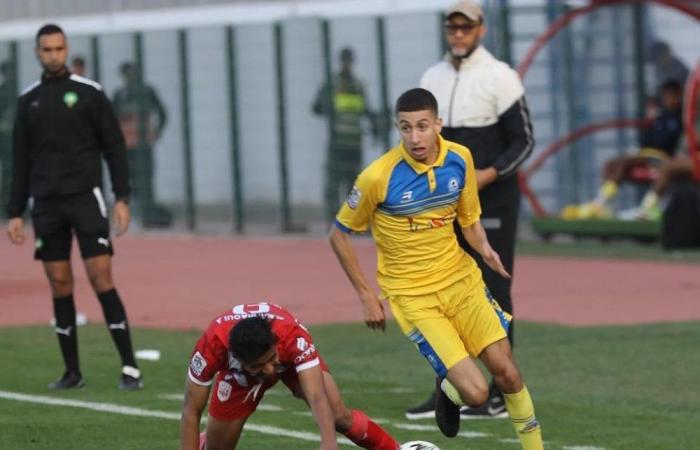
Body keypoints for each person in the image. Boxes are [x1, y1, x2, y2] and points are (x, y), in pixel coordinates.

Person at [329, 88, 542, 449]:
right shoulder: (377, 178)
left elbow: (469, 221)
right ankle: (450, 390)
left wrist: (486, 251)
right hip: (415, 298)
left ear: (438, 124)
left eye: (423, 126)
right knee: (475, 394)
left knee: (507, 374)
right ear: (398, 129)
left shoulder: (460, 159)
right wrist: (367, 295)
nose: (415, 137)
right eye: (406, 128)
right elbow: (339, 236)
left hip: (463, 281)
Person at [408, 0, 534, 420]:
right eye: (452, 28)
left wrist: (486, 175)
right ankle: (448, 390)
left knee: (493, 291)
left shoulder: (501, 77)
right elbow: (422, 140)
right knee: (438, 293)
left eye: (466, 27)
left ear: (481, 29)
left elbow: (524, 141)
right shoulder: (433, 77)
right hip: (442, 207)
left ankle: (499, 392)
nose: (458, 34)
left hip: (492, 201)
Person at [5, 24, 142, 390]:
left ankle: (130, 366)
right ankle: (72, 373)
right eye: (46, 49)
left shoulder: (90, 94)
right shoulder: (27, 100)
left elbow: (114, 147)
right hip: (46, 205)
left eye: (59, 48)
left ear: (66, 50)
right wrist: (15, 211)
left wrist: (122, 198)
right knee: (59, 283)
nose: (53, 55)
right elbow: (20, 161)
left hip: (85, 199)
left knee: (101, 278)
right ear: (37, 52)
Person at [180, 302, 400, 450]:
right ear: (235, 357)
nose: (268, 370)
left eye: (270, 358)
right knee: (218, 447)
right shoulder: (211, 346)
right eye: (259, 365)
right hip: (240, 379)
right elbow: (191, 411)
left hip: (289, 362)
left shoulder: (292, 337)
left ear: (275, 343)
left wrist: (328, 441)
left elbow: (316, 395)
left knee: (338, 415)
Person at [562, 80, 684, 220]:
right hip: (646, 154)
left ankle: (645, 208)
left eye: (670, 95)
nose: (667, 99)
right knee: (611, 163)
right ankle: (603, 204)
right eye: (665, 96)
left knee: (624, 162)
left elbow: (666, 142)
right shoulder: (660, 117)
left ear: (679, 95)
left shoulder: (681, 117)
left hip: (661, 157)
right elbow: (645, 140)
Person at [313, 47, 378, 223]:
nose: (346, 64)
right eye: (345, 60)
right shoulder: (333, 85)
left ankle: (352, 220)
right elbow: (316, 107)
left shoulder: (357, 86)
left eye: (348, 60)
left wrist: (375, 126)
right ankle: (334, 220)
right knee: (335, 183)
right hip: (339, 141)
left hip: (353, 142)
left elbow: (367, 111)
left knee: (353, 184)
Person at [112, 61, 170, 228]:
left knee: (146, 179)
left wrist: (157, 133)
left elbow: (162, 113)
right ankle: (134, 215)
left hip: (143, 145)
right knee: (129, 181)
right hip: (127, 146)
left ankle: (149, 215)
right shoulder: (119, 94)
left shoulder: (147, 91)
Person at [0, 59, 17, 218]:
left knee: (13, 174)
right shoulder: (4, 91)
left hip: (14, 140)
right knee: (7, 174)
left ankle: (13, 207)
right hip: (5, 139)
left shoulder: (16, 91)